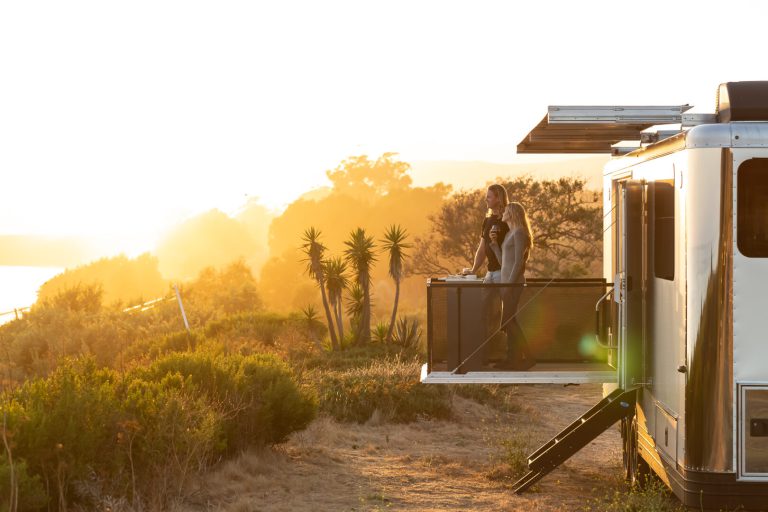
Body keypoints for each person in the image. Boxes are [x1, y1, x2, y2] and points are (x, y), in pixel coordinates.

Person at [489, 202, 535, 370]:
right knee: (510, 321)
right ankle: (512, 359)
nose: (503, 212)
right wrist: (494, 247)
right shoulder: (510, 233)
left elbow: (518, 262)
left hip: (513, 283)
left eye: (506, 210)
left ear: (513, 213)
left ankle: (528, 358)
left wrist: (509, 284)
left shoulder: (520, 233)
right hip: (506, 282)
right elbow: (504, 263)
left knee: (509, 322)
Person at [462, 184, 509, 282]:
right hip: (490, 271)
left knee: (503, 298)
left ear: (498, 198)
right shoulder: (487, 220)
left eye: (489, 197)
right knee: (483, 298)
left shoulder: (507, 220)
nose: (485, 199)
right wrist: (473, 270)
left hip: (502, 272)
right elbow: (482, 248)